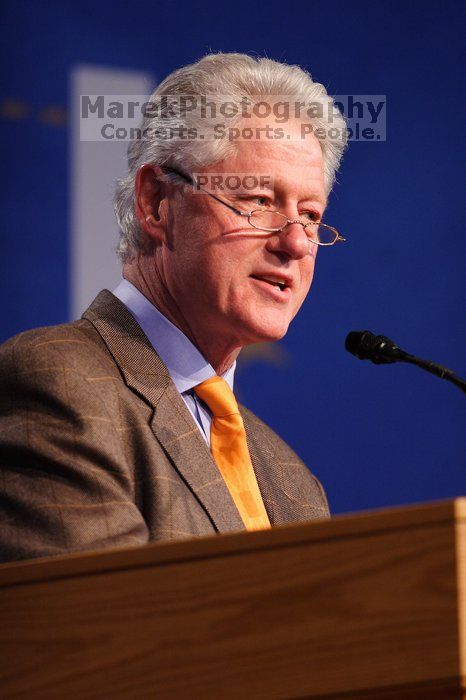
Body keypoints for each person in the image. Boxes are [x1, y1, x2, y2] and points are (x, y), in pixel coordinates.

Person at [0, 53, 347, 563]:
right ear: (157, 202)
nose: (295, 243)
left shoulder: (293, 481)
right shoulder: (57, 385)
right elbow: (101, 630)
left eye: (311, 215)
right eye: (257, 202)